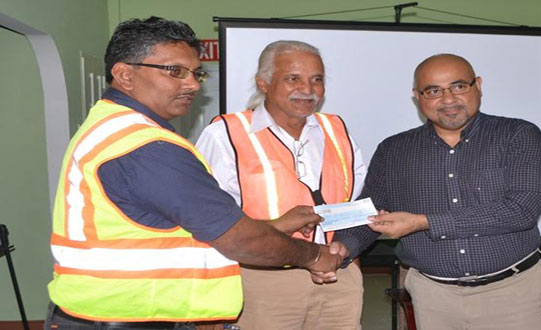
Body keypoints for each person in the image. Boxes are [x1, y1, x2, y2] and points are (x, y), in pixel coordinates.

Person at [44, 17, 342, 330]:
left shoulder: (110, 126)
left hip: (107, 312)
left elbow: (184, 229)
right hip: (130, 319)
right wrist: (313, 256)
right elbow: (237, 239)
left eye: (194, 72)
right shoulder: (147, 146)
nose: (193, 84)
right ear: (125, 75)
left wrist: (276, 225)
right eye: (175, 71)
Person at [334, 53, 541, 330]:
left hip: (512, 292)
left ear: (479, 85)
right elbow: (370, 213)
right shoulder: (393, 150)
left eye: (459, 86)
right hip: (432, 296)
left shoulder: (518, 135)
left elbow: (521, 211)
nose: (448, 99)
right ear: (417, 96)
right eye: (434, 91)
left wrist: (423, 222)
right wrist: (343, 247)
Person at [195, 40, 367, 330]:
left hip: (338, 278)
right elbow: (207, 221)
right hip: (262, 280)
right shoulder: (224, 134)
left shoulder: (337, 129)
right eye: (293, 78)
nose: (308, 89)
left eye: (317, 79)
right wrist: (277, 224)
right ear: (263, 82)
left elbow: (356, 203)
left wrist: (347, 253)